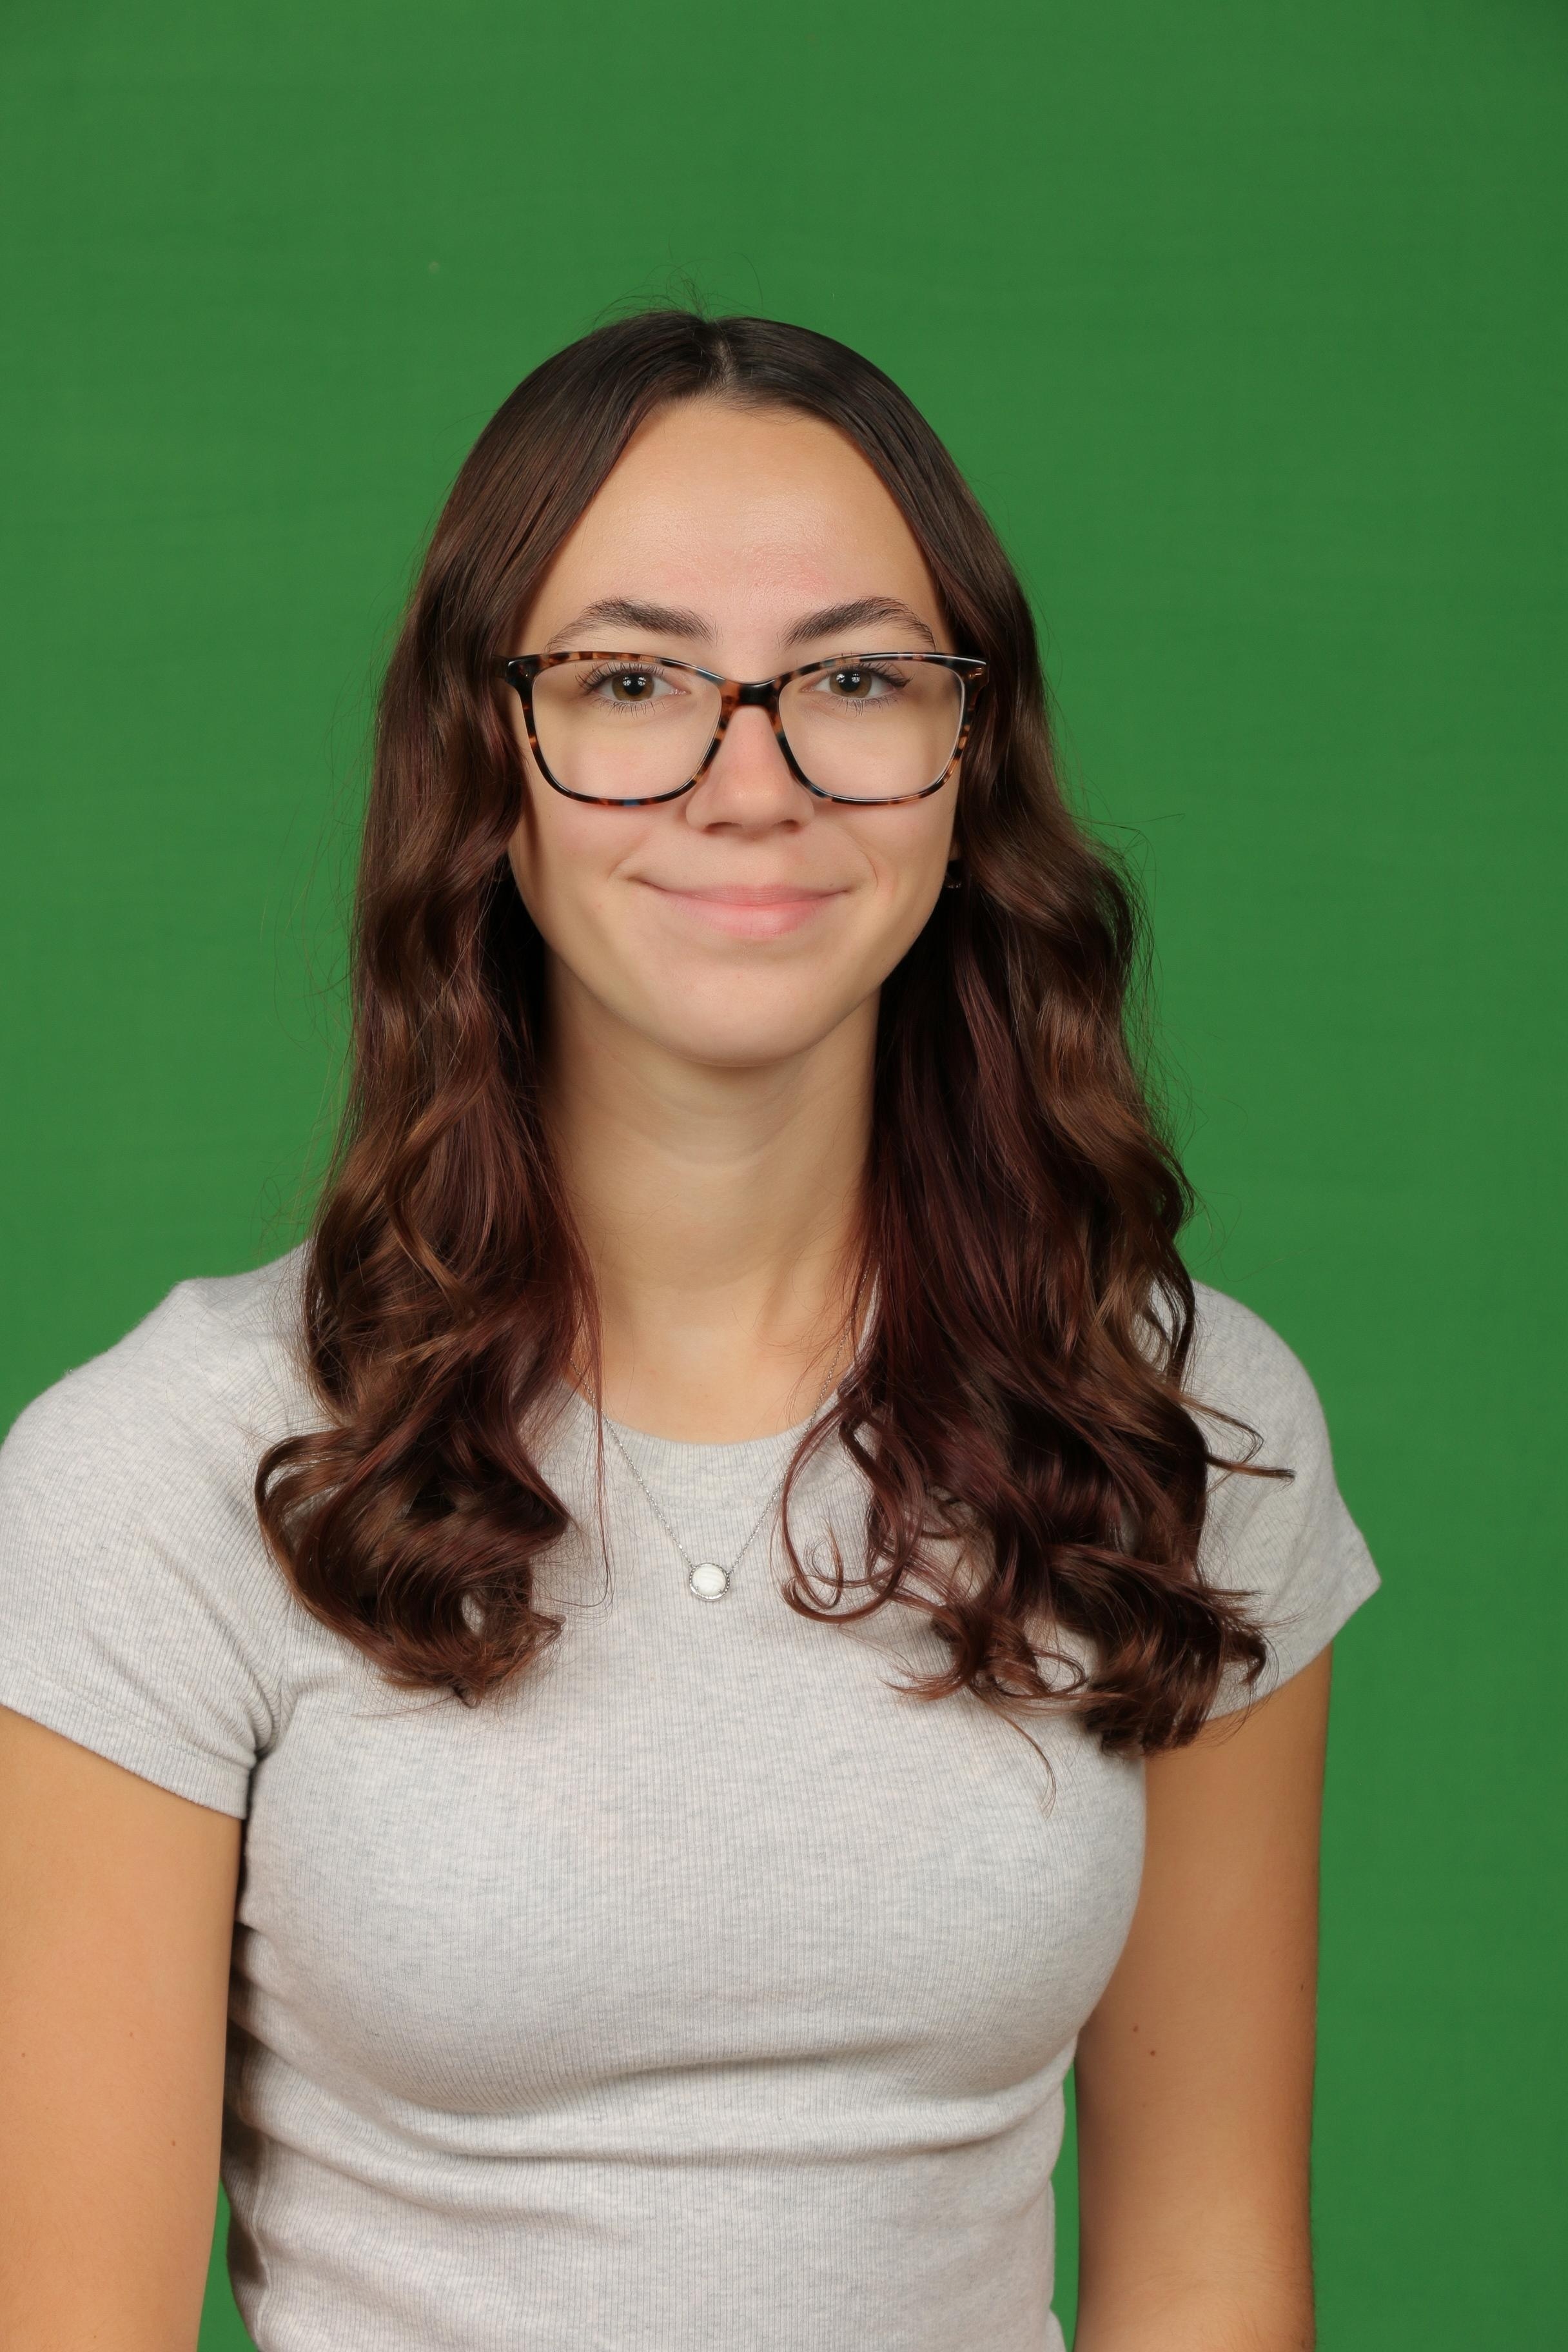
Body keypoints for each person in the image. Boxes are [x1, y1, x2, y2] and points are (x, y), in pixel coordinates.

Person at [0, 310, 1378, 2352]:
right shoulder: (168, 1471)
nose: (755, 783)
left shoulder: (1179, 1422)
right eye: (631, 681)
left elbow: (1207, 2270)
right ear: (488, 760)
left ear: (969, 756)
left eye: (858, 680)